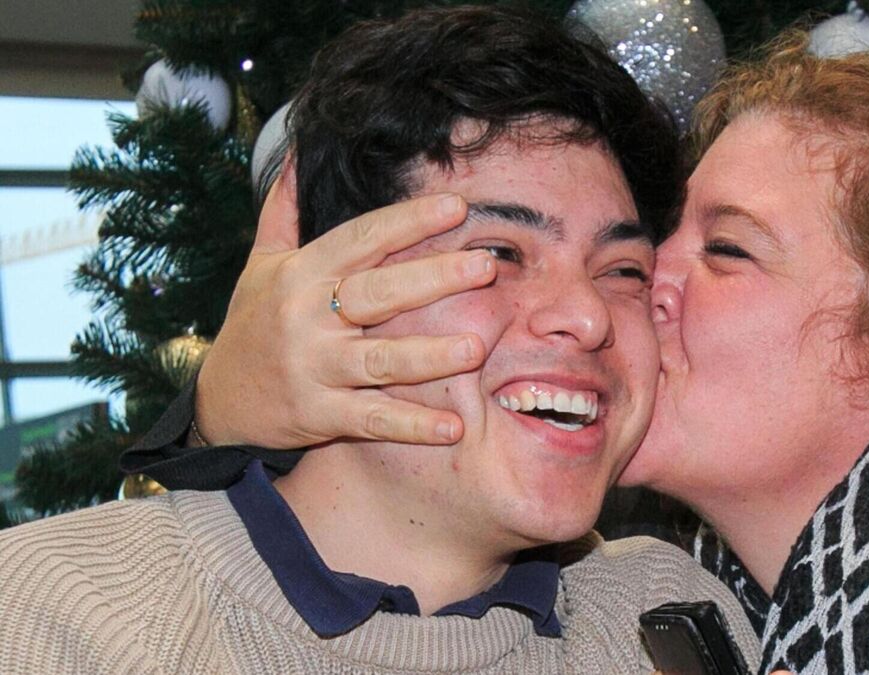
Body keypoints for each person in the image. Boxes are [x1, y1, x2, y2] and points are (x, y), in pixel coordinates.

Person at [124, 23, 869, 675]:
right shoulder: (719, 608)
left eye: (725, 250)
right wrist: (221, 415)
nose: (629, 296)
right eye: (652, 249)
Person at [0, 8, 763, 674]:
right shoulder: (57, 619)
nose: (589, 317)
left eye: (623, 269)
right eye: (499, 253)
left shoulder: (661, 613)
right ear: (320, 285)